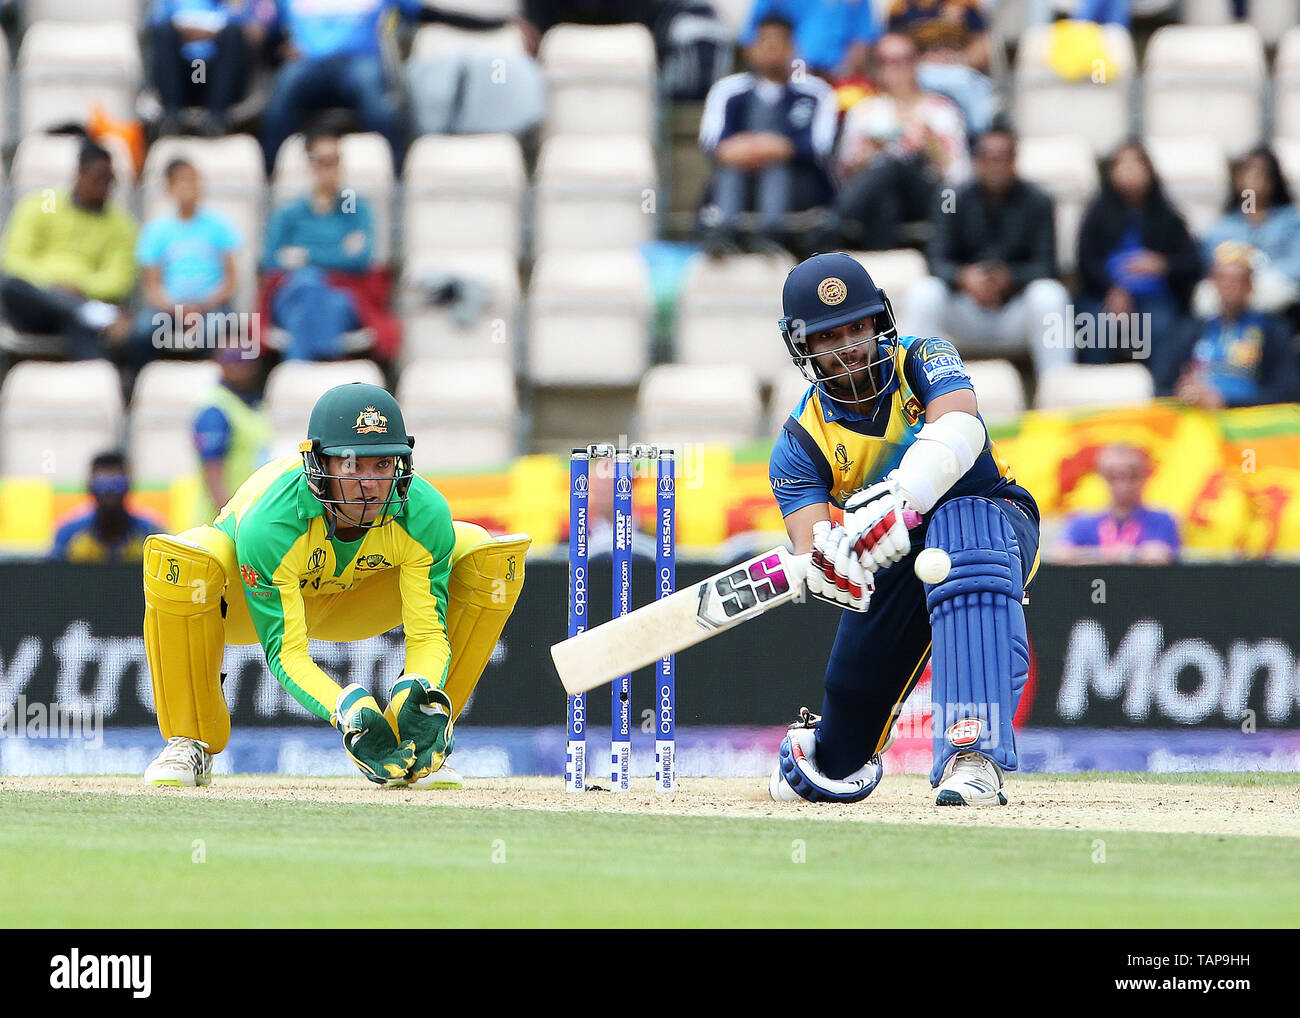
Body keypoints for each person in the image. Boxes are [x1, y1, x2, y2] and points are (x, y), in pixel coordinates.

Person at [140, 382, 531, 788]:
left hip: (355, 599)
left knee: (483, 553)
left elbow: (428, 635)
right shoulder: (271, 523)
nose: (370, 484)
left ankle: (421, 741)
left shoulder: (422, 512)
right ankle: (190, 741)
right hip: (244, 607)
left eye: (383, 464)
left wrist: (419, 687)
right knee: (189, 556)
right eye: (352, 465)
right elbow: (287, 653)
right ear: (320, 466)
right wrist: (345, 708)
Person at [767, 251, 1040, 807]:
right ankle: (827, 744)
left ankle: (973, 757)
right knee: (835, 761)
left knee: (965, 529)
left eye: (856, 328)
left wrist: (901, 499)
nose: (846, 347)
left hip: (994, 516)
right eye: (827, 337)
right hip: (894, 556)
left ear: (877, 322)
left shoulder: (925, 356)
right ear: (804, 347)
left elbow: (961, 425)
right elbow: (814, 548)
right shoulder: (798, 446)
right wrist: (835, 561)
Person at [906, 125, 1072, 375]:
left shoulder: (1038, 201)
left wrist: (1009, 278)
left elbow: (1047, 266)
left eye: (1003, 159)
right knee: (925, 292)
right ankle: (912, 390)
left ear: (1014, 161)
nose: (996, 166)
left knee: (1050, 294)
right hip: (965, 309)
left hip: (1014, 310)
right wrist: (965, 277)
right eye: (989, 159)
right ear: (977, 162)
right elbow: (936, 260)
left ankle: (1058, 390)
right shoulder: (952, 198)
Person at [697, 14, 838, 252]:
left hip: (798, 186)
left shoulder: (816, 93)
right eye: (764, 42)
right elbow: (712, 142)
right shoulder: (728, 90)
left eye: (779, 43)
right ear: (751, 49)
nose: (771, 50)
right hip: (741, 180)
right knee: (734, 169)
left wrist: (779, 147)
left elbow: (820, 146)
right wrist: (751, 149)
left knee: (776, 166)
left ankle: (772, 234)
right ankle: (722, 234)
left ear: (792, 48)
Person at [262, 125, 391, 361]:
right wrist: (337, 252)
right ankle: (328, 364)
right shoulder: (290, 211)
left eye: (335, 160)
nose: (330, 168)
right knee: (308, 283)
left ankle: (297, 381)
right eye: (322, 160)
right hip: (292, 291)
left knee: (305, 308)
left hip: (342, 294)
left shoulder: (354, 207)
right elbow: (271, 260)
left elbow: (360, 260)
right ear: (309, 165)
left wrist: (305, 256)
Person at [833, 32, 970, 250]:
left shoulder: (942, 110)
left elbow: (959, 177)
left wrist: (934, 149)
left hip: (931, 195)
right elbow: (845, 174)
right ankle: (884, 266)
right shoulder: (864, 112)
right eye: (887, 61)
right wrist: (867, 155)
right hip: (880, 198)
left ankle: (835, 223)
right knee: (886, 195)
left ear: (916, 62)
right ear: (877, 67)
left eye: (904, 60)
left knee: (896, 163)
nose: (897, 68)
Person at [0, 142, 136, 360]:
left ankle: (98, 381)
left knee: (77, 321)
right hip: (36, 303)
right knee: (10, 286)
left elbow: (119, 279)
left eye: (109, 180)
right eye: (97, 179)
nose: (104, 187)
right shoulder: (47, 202)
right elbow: (14, 259)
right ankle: (85, 311)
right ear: (79, 175)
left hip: (82, 303)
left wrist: (80, 288)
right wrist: (53, 287)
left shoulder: (120, 223)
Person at [1075, 139, 1202, 370]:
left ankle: (1159, 393)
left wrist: (1163, 265)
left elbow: (1192, 264)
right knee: (1094, 326)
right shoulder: (1096, 213)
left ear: (1149, 171)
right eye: (1121, 165)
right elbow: (1085, 262)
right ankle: (1093, 394)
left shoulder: (1168, 215)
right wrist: (1113, 289)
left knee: (1161, 325)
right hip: (1104, 295)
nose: (1129, 171)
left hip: (1156, 298)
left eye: (1136, 164)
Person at [133, 158, 242, 370]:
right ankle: (142, 384)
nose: (190, 187)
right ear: (169, 188)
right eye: (182, 181)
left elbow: (231, 282)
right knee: (142, 331)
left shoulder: (220, 226)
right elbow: (152, 286)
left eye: (194, 180)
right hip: (169, 309)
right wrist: (178, 310)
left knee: (215, 330)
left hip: (212, 307)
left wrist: (201, 306)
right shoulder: (157, 231)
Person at [1165, 243, 1298, 408]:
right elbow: (1163, 384)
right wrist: (1183, 392)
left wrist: (1226, 403)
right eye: (1222, 278)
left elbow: (1287, 391)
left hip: (1250, 421)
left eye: (1237, 279)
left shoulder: (1273, 330)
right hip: (1198, 418)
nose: (1229, 285)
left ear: (1250, 286)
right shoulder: (1191, 330)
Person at [1200, 146, 1300, 315]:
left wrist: (1259, 277)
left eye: (1260, 174)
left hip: (1274, 288)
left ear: (1273, 180)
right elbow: (1210, 261)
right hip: (1231, 288)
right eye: (1247, 174)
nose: (1253, 181)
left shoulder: (1290, 220)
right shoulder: (1223, 225)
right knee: (1205, 299)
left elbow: (1296, 263)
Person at [146, 0, 269, 136]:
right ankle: (170, 121)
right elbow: (154, 25)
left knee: (232, 33)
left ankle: (217, 121)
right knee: (164, 31)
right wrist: (210, 33)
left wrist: (195, 32)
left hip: (220, 80)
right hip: (184, 76)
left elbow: (255, 32)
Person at [1056, 444, 1179, 564]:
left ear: (1144, 477)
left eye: (1132, 475)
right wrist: (1128, 555)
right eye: (1113, 476)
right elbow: (1062, 555)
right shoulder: (1082, 522)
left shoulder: (1161, 520)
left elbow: (1159, 556)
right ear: (1102, 477)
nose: (1123, 484)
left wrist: (1092, 556)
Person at [191, 345, 272, 527]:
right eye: (235, 361)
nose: (242, 368)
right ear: (221, 364)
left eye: (247, 361)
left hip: (247, 518)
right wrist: (230, 523)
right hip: (219, 526)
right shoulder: (215, 410)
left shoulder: (254, 406)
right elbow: (213, 475)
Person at [52, 451, 165, 563]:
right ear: (90, 487)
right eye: (102, 484)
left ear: (129, 486)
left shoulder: (151, 535)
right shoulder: (69, 535)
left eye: (117, 484)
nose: (109, 492)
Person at [740, 0, 879, 80]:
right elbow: (754, 36)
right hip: (792, 72)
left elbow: (862, 38)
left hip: (838, 75)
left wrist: (844, 73)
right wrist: (794, 68)